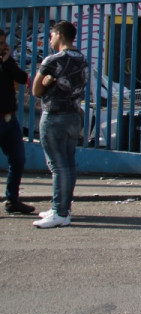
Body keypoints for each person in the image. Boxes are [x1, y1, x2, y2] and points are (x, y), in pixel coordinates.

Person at [31, 20, 89, 228]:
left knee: (58, 165)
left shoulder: (53, 60)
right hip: (73, 116)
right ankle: (63, 206)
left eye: (52, 35)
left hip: (54, 116)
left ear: (60, 35)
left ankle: (60, 212)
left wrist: (46, 83)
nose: (50, 39)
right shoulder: (82, 60)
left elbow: (35, 90)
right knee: (68, 163)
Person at [0, 28, 35, 215]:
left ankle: (12, 200)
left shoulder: (6, 62)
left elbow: (22, 78)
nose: (3, 46)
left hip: (9, 119)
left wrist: (7, 62)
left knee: (18, 159)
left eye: (4, 43)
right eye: (0, 43)